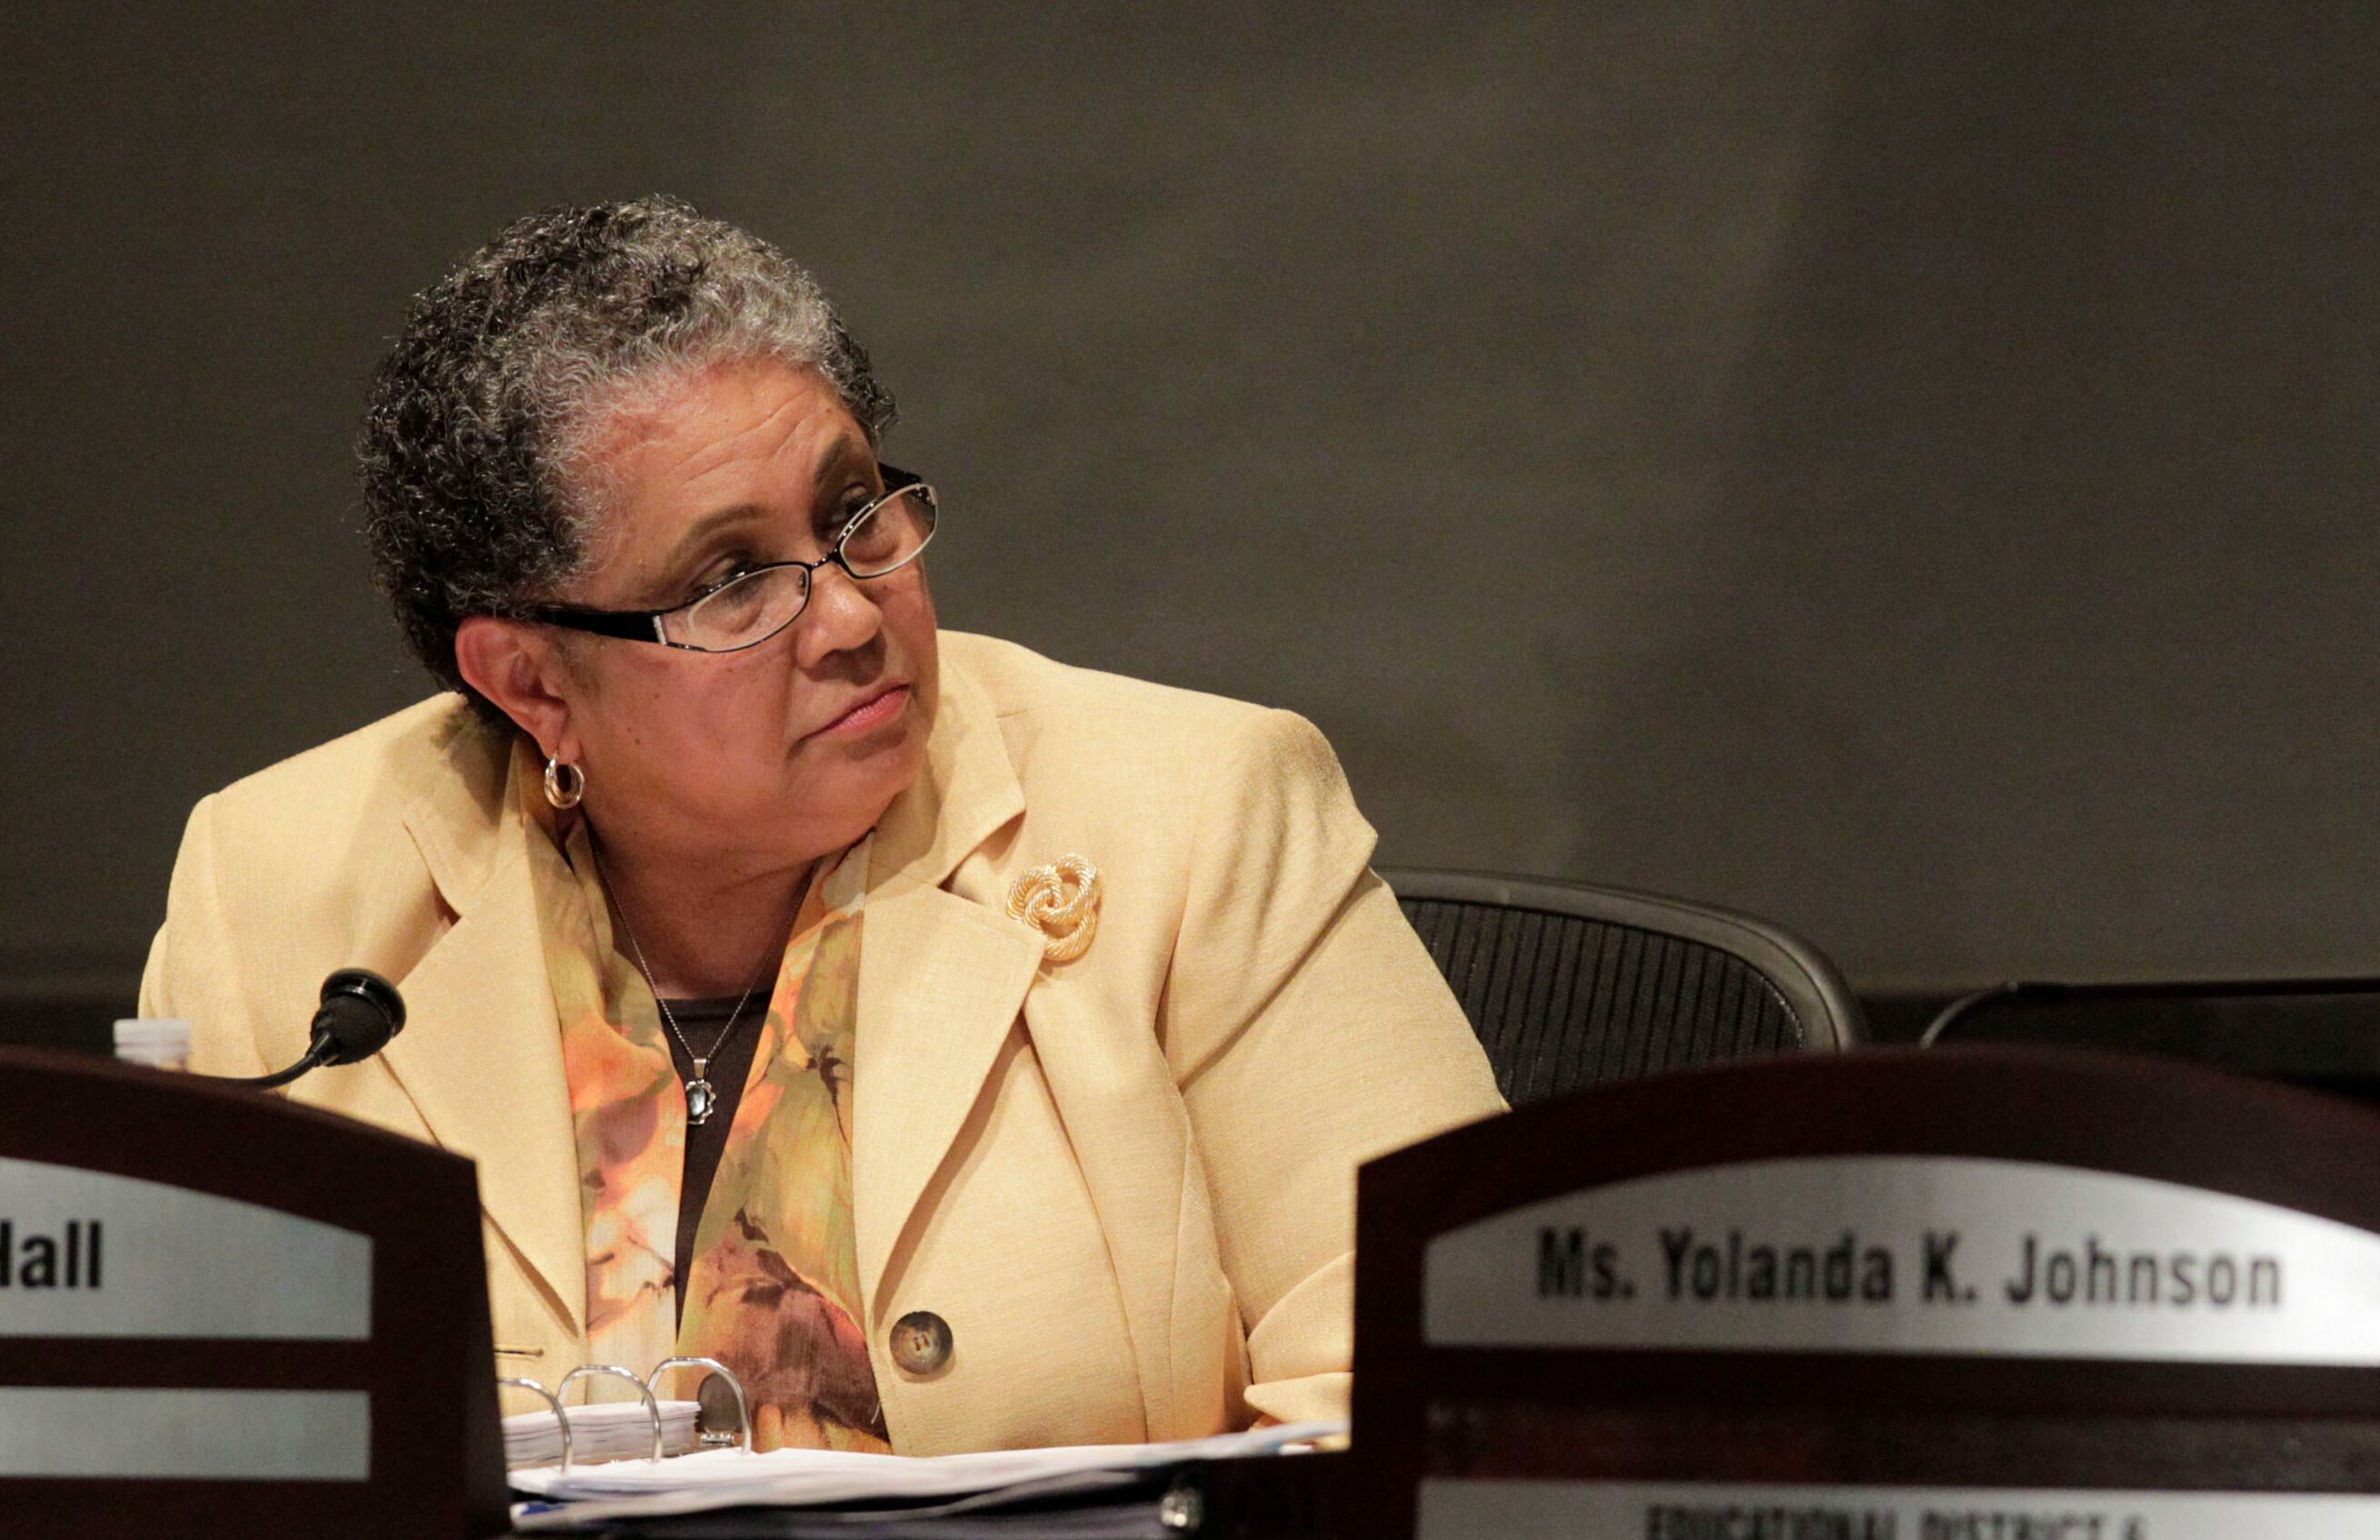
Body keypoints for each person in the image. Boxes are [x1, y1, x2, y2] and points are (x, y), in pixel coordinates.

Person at [139, 198, 1505, 1453]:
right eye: (731, 580)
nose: (854, 616)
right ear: (535, 681)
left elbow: (1444, 1406)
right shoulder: (282, 891)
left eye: (856, 515)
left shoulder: (1201, 819)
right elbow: (167, 1464)